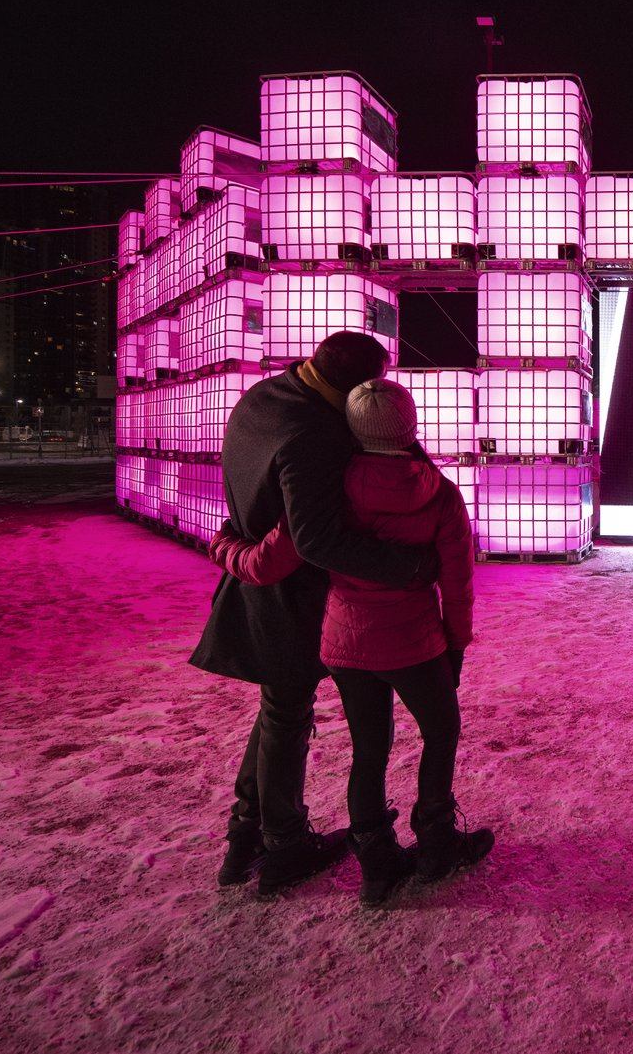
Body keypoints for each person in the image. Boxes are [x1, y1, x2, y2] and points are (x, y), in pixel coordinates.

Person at [210, 377, 492, 906]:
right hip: (416, 642)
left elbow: (270, 562)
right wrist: (455, 647)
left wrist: (224, 544)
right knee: (441, 732)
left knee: (369, 748)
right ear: (411, 426)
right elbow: (458, 584)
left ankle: (376, 862)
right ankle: (436, 840)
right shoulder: (440, 494)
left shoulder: (327, 491)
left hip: (347, 645)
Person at [192, 332, 437, 897]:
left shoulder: (263, 396)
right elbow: (317, 539)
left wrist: (235, 548)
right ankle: (282, 845)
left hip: (254, 574)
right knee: (285, 715)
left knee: (277, 711)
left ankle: (245, 840)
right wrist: (408, 565)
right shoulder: (314, 434)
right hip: (289, 594)